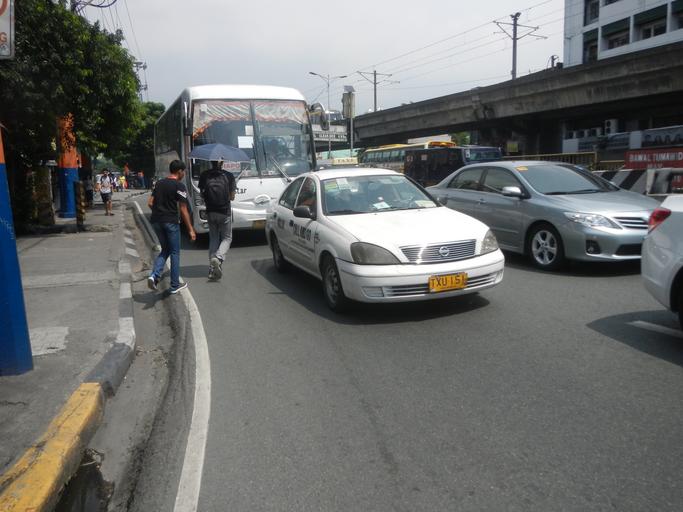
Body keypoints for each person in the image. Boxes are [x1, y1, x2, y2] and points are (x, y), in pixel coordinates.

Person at [147, 160, 196, 294]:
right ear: (179, 171)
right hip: (170, 222)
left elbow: (150, 203)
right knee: (175, 252)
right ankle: (174, 285)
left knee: (166, 249)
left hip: (156, 221)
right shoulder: (179, 186)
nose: (184, 174)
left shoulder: (159, 183)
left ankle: (154, 276)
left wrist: (159, 213)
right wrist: (191, 229)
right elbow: (183, 209)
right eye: (184, 171)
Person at [198, 160, 236, 280]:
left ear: (211, 162)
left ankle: (212, 268)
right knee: (227, 238)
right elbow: (232, 197)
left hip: (210, 212)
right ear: (222, 162)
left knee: (214, 238)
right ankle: (218, 258)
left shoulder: (204, 175)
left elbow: (202, 195)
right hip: (224, 212)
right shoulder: (229, 176)